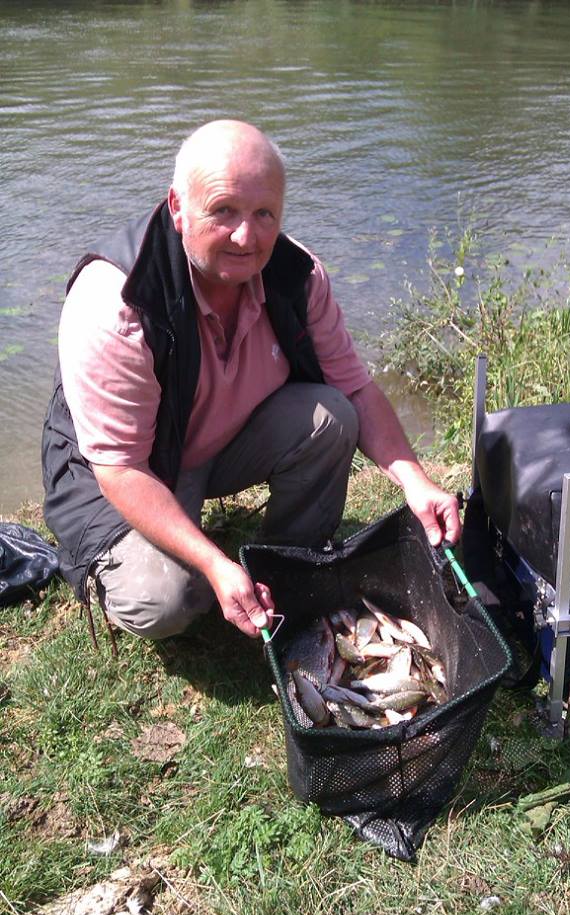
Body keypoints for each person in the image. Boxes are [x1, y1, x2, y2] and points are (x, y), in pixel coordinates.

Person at [42, 119, 460, 642]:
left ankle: (282, 568)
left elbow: (355, 387)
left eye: (264, 214)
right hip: (118, 474)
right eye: (223, 211)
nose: (246, 237)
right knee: (166, 598)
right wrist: (213, 564)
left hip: (208, 443)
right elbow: (121, 468)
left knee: (334, 416)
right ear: (177, 207)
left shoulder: (298, 274)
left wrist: (416, 481)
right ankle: (173, 571)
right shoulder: (117, 302)